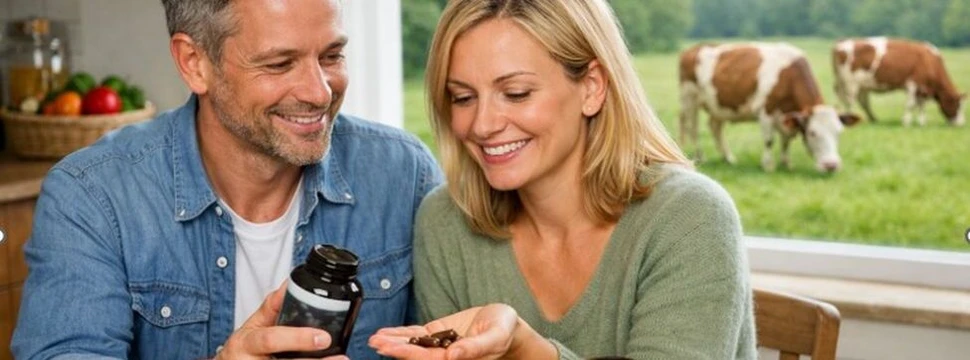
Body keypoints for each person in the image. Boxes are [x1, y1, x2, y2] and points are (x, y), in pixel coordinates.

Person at [12, 0, 441, 359]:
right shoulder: (92, 196)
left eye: (331, 56)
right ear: (194, 62)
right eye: (279, 63)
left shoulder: (404, 174)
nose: (320, 92)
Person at [368, 0, 757, 359]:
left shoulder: (690, 217)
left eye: (516, 93)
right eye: (463, 98)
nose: (483, 125)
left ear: (591, 87)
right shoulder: (445, 222)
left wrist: (526, 352)